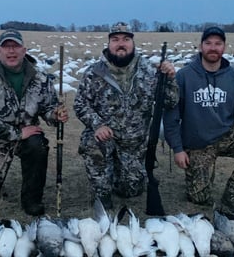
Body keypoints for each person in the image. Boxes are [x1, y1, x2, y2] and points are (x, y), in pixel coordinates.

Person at [163, 26, 234, 216]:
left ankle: (233, 197)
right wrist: (178, 149)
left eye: (218, 44)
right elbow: (171, 117)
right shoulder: (184, 76)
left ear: (224, 47)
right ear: (201, 46)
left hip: (225, 135)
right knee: (199, 198)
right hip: (197, 142)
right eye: (209, 43)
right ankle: (201, 179)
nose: (213, 48)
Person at [73, 21, 178, 209]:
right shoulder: (94, 72)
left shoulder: (149, 71)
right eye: (115, 39)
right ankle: (102, 194)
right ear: (108, 43)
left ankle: (121, 174)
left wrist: (170, 79)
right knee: (92, 141)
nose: (121, 43)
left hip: (135, 146)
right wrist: (97, 124)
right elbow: (80, 104)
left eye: (126, 39)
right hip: (107, 138)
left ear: (133, 42)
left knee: (131, 190)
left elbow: (170, 102)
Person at [0, 29, 68, 216]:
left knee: (38, 146)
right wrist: (18, 134)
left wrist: (55, 115)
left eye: (15, 46)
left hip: (27, 135)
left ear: (24, 50)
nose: (11, 51)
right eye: (6, 47)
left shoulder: (41, 78)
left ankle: (32, 199)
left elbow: (48, 108)